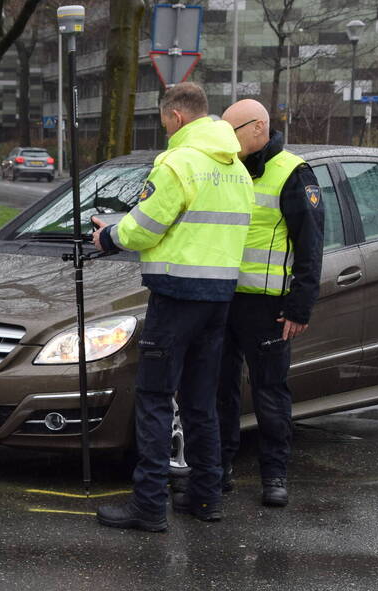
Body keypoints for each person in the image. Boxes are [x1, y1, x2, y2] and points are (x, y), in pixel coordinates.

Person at [91, 82, 254, 531]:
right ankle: (205, 496)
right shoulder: (236, 168)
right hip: (219, 297)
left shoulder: (177, 163)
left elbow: (144, 228)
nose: (165, 128)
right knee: (201, 401)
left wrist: (109, 235)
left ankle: (148, 505)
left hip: (176, 296)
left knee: (155, 397)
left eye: (164, 120)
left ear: (176, 116)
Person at [216, 99, 324, 507]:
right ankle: (218, 470)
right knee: (219, 390)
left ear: (258, 127)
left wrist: (299, 306)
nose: (228, 140)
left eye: (233, 131)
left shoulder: (292, 172)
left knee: (270, 393)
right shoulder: (226, 167)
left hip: (267, 307)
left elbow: (311, 245)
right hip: (221, 299)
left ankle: (274, 475)